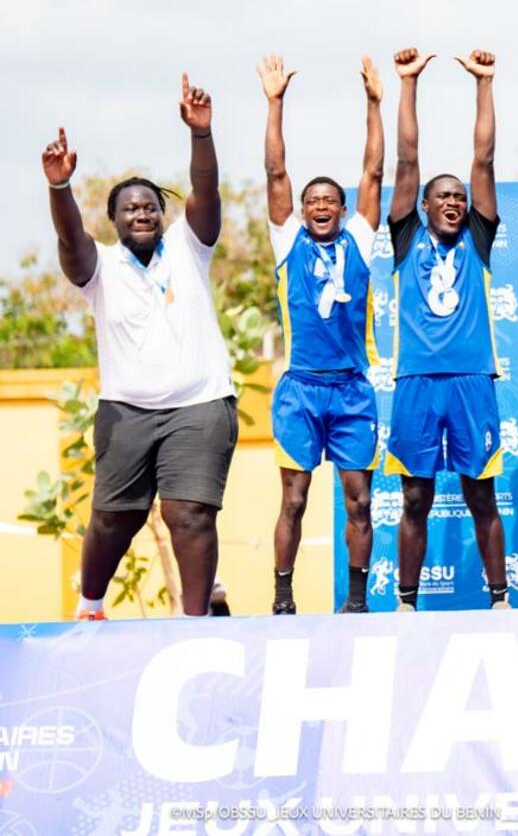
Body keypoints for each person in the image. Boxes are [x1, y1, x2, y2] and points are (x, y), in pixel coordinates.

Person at [43, 76, 236, 619]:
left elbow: (206, 189)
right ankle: (91, 606)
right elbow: (70, 239)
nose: (142, 213)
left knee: (189, 514)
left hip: (199, 405)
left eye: (150, 206)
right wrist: (60, 187)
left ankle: (194, 624)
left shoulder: (189, 247)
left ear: (162, 214)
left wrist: (201, 133)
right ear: (115, 221)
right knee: (114, 517)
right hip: (126, 412)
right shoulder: (100, 266)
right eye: (130, 209)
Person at [383, 47, 510, 611]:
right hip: (416, 380)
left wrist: (484, 84)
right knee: (415, 497)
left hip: (471, 380)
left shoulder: (479, 239)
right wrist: (408, 84)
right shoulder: (405, 237)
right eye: (444, 197)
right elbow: (407, 160)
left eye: (460, 197)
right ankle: (407, 603)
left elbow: (484, 158)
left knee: (481, 495)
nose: (455, 202)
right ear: (425, 206)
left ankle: (500, 600)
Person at [258, 53, 384, 615]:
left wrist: (375, 104)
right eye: (312, 202)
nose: (320, 207)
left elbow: (374, 173)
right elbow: (275, 174)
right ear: (302, 212)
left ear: (343, 209)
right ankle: (283, 598)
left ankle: (356, 603)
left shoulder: (360, 239)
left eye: (330, 201)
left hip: (352, 391)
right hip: (301, 390)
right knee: (294, 499)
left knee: (360, 502)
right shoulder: (289, 242)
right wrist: (275, 102)